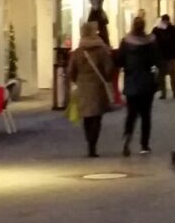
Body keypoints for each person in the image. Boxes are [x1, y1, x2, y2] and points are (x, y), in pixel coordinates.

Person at [66, 22, 118, 158]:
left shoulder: (78, 51)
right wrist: (107, 78)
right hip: (97, 86)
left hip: (83, 86)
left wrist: (76, 80)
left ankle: (89, 141)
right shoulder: (101, 50)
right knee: (97, 117)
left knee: (87, 116)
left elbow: (71, 70)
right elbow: (108, 68)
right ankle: (93, 145)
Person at [117, 16, 159, 157]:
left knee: (131, 114)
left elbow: (119, 60)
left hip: (131, 81)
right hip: (147, 81)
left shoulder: (126, 41)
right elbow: (156, 60)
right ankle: (144, 145)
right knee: (146, 115)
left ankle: (127, 137)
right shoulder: (151, 42)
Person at [152, 15, 175, 99]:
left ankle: (173, 92)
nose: (165, 23)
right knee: (163, 75)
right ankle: (164, 93)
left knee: (171, 74)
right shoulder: (157, 30)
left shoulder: (172, 29)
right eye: (164, 21)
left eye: (165, 21)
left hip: (169, 56)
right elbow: (152, 41)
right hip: (163, 56)